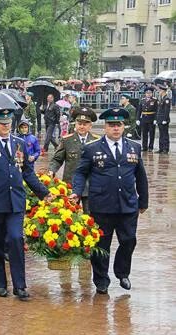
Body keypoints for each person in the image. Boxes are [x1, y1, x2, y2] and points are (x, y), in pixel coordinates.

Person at [0, 108, 52, 300]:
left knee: (16, 239)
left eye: (8, 123)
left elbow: (27, 172)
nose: (6, 127)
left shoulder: (20, 144)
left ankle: (20, 286)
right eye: (2, 123)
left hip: (15, 202)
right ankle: (0, 284)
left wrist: (43, 192)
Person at [71, 108, 148, 294]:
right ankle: (101, 280)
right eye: (111, 125)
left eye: (119, 125)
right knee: (100, 245)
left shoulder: (134, 147)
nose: (115, 128)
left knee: (129, 240)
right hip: (101, 205)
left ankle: (122, 273)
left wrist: (143, 201)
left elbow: (140, 175)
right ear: (105, 127)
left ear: (124, 127)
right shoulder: (92, 148)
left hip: (127, 204)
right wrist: (76, 192)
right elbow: (81, 172)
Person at [49, 107, 99, 213]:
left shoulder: (96, 141)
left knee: (91, 218)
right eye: (79, 123)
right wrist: (51, 170)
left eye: (85, 124)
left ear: (90, 126)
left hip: (91, 186)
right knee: (70, 216)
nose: (82, 126)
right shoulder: (67, 140)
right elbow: (57, 159)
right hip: (71, 184)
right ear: (75, 124)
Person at [137, 87, 158, 152]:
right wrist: (137, 119)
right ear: (145, 94)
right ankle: (144, 147)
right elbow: (139, 110)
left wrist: (155, 119)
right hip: (144, 119)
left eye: (150, 93)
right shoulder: (142, 100)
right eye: (147, 93)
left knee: (151, 134)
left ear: (152, 93)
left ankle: (151, 147)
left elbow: (157, 110)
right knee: (144, 134)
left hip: (151, 118)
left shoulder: (155, 100)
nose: (148, 94)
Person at [156, 84, 171, 154]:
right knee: (161, 134)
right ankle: (161, 148)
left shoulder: (166, 99)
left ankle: (165, 149)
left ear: (163, 91)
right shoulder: (161, 98)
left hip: (164, 120)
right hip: (160, 119)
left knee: (165, 135)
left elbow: (166, 110)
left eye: (159, 90)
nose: (159, 91)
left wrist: (165, 119)